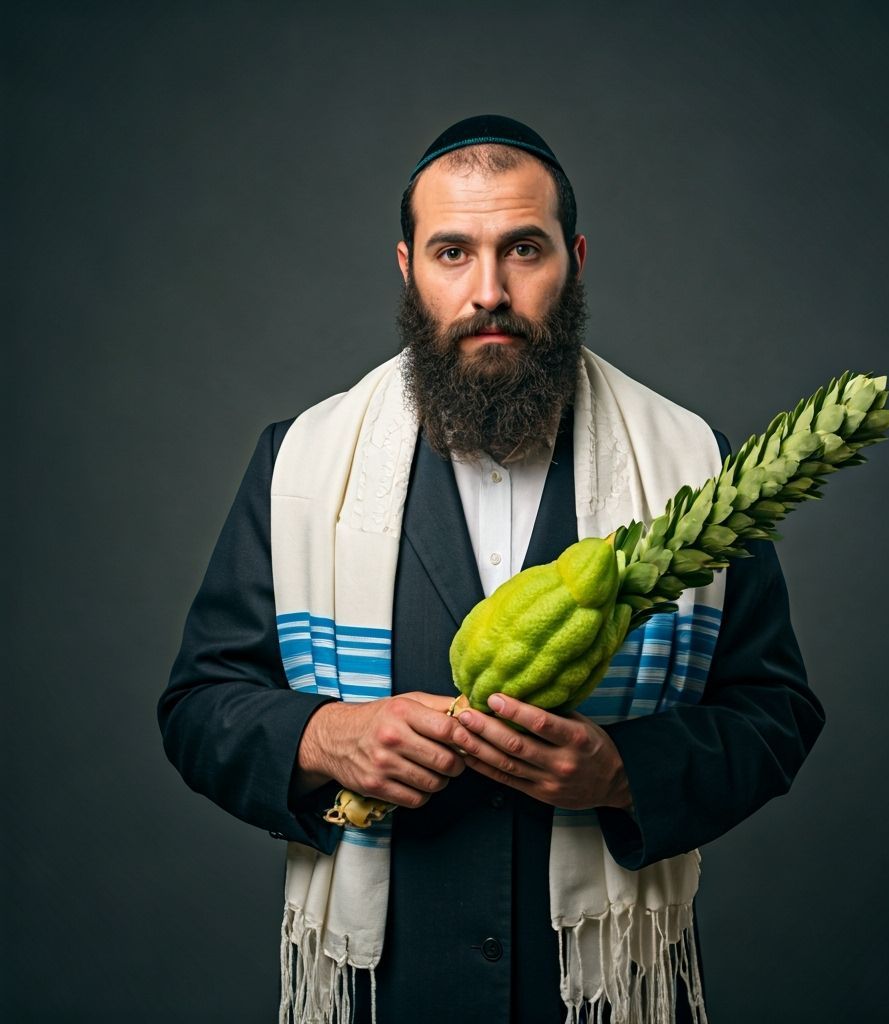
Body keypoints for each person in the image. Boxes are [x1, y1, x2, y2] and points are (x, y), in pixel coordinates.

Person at [159, 115, 824, 1024]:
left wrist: (622, 772)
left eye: (523, 249)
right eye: (452, 253)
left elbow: (776, 715)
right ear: (408, 268)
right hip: (388, 987)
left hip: (601, 992)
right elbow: (199, 705)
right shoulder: (300, 465)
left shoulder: (695, 470)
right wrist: (324, 738)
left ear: (573, 261)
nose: (489, 291)